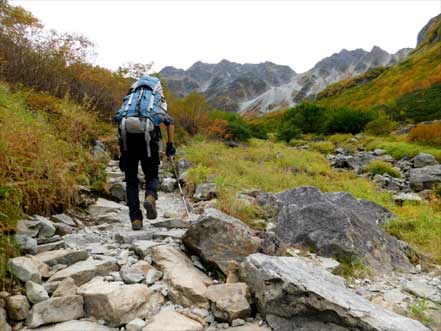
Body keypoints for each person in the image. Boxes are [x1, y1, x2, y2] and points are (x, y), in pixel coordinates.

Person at [115, 75, 176, 230]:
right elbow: (170, 122)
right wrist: (170, 145)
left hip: (127, 144)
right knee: (152, 175)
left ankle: (135, 219)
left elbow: (118, 123)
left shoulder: (130, 100)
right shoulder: (157, 100)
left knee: (131, 182)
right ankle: (150, 195)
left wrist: (121, 154)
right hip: (150, 143)